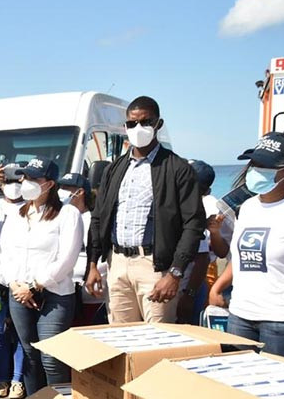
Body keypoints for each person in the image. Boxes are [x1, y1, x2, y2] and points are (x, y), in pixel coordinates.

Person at [85, 96, 205, 323]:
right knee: (121, 341)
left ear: (158, 124)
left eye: (145, 122)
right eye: (132, 124)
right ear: (125, 126)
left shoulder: (177, 168)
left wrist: (175, 273)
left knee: (157, 341)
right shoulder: (115, 169)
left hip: (155, 266)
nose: (138, 128)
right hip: (117, 264)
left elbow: (194, 224)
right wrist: (92, 265)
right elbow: (99, 217)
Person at [209, 133, 284, 362]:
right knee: (238, 391)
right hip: (240, 318)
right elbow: (243, 257)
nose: (256, 170)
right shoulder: (247, 208)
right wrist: (218, 287)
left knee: (281, 394)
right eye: (254, 163)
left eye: (266, 166)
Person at [0, 157, 83, 396]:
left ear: (50, 184)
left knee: (51, 356)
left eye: (34, 178)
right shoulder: (16, 215)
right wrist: (14, 283)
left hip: (54, 295)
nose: (27, 182)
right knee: (30, 354)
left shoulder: (68, 214)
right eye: (25, 177)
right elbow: (4, 254)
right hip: (19, 293)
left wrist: (36, 285)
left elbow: (67, 258)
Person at [0, 163, 26, 399]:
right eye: (7, 182)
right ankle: (2, 378)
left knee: (20, 332)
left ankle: (17, 380)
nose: (12, 187)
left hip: (21, 282)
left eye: (18, 182)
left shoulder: (32, 207)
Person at [178, 160, 233, 325]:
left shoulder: (214, 207)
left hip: (199, 273)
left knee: (191, 320)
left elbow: (219, 252)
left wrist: (214, 232)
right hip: (194, 273)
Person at [58, 172, 107, 326]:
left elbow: (98, 256)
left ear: (80, 192)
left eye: (67, 188)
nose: (62, 191)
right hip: (62, 292)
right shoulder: (58, 218)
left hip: (88, 297)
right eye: (61, 187)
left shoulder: (92, 220)